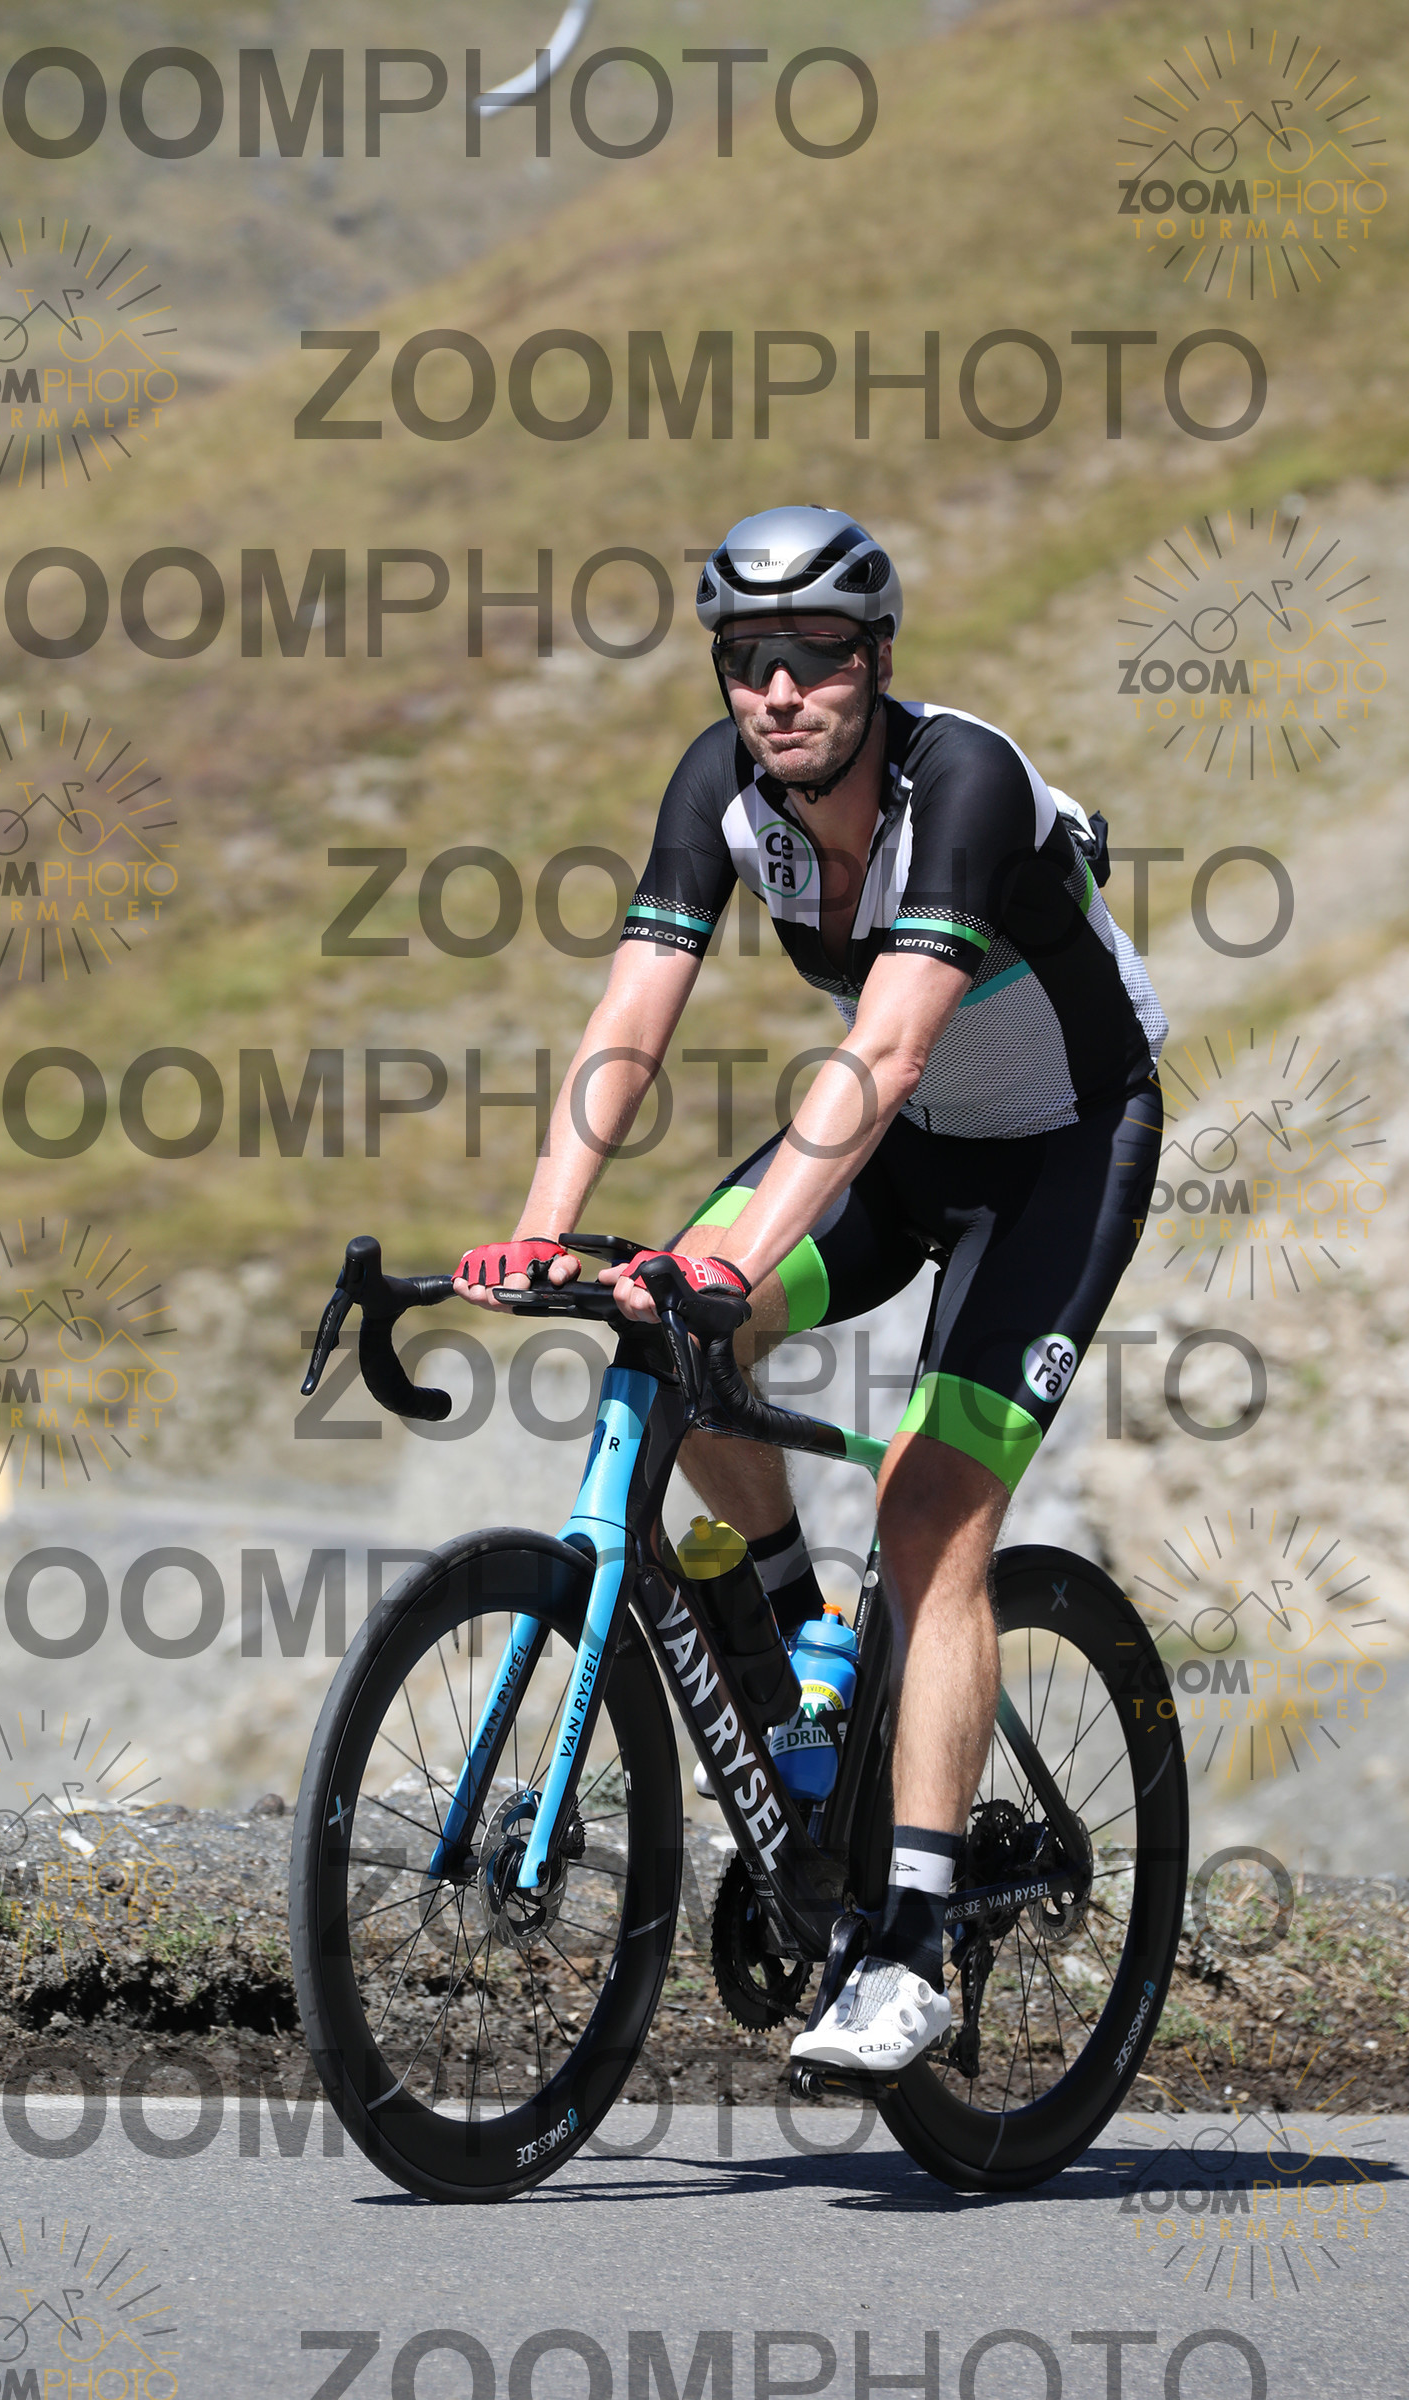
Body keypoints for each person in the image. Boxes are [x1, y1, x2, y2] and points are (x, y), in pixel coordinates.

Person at [454, 505, 1166, 2075]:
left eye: (818, 657)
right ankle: (795, 1656)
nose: (781, 691)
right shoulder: (721, 787)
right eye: (749, 660)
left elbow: (886, 1048)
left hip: (1061, 1152)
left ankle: (911, 1943)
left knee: (928, 1512)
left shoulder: (963, 783)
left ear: (877, 659)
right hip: (902, 1148)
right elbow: (630, 1019)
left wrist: (731, 1258)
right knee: (663, 1322)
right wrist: (543, 1226)